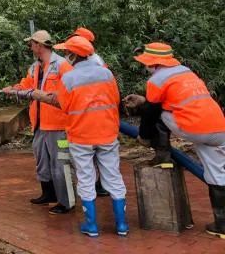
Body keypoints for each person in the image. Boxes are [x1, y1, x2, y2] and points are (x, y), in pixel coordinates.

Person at [124, 43, 225, 239]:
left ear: (152, 63)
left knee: (157, 113)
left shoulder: (156, 79)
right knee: (218, 175)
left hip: (193, 128)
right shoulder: (186, 72)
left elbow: (152, 112)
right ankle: (221, 226)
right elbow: (177, 99)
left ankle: (163, 155)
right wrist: (145, 101)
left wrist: (144, 136)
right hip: (219, 127)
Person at [32, 36, 128, 237]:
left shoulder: (69, 78)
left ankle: (91, 226)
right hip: (107, 133)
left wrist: (44, 97)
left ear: (74, 55)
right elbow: (116, 99)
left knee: (85, 178)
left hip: (81, 136)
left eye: (68, 52)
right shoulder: (106, 74)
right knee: (113, 176)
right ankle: (121, 225)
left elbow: (64, 105)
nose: (66, 56)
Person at [2, 30, 74, 214]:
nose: (30, 47)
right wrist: (14, 89)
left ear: (40, 45)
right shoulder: (35, 67)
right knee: (42, 161)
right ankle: (48, 194)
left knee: (61, 163)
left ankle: (67, 201)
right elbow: (26, 85)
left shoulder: (62, 65)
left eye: (32, 44)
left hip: (59, 126)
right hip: (40, 124)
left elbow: (71, 92)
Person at [68, 27, 111, 198]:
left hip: (90, 113)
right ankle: (98, 184)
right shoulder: (92, 60)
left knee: (93, 153)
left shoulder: (94, 61)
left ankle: (98, 185)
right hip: (94, 111)